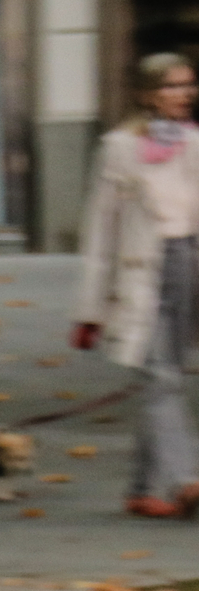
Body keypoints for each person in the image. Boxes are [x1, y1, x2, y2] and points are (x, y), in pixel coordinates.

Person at [72, 53, 199, 518]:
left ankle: (141, 489)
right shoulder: (119, 148)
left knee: (165, 375)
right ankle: (186, 479)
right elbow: (99, 233)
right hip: (137, 274)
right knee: (161, 376)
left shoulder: (195, 143)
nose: (184, 94)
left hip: (187, 267)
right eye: (171, 86)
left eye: (188, 84)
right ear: (146, 95)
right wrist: (89, 311)